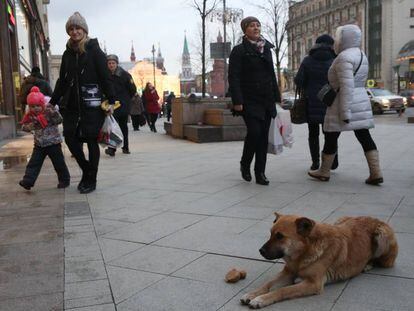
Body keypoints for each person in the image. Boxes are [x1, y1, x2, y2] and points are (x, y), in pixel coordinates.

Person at [49, 12, 115, 194]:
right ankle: (87, 170)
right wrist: (53, 102)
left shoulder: (94, 50)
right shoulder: (67, 53)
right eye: (71, 28)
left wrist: (111, 100)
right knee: (70, 138)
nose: (74, 31)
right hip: (71, 105)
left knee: (91, 140)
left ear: (84, 30)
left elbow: (105, 77)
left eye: (77, 28)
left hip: (92, 105)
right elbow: (62, 81)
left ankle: (91, 180)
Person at [309, 24, 383, 185]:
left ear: (345, 39)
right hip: (360, 101)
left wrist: (345, 112)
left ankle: (324, 171)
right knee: (364, 136)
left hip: (342, 102)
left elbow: (346, 86)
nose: (337, 40)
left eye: (339, 37)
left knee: (330, 135)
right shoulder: (361, 55)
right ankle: (376, 172)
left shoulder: (343, 58)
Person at [228, 16, 281, 186]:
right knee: (255, 132)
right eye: (252, 26)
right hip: (248, 99)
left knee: (263, 137)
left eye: (258, 25)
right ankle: (245, 164)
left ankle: (260, 172)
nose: (256, 28)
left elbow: (271, 75)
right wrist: (237, 100)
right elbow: (233, 77)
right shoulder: (238, 50)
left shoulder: (266, 49)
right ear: (245, 29)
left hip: (266, 98)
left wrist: (277, 97)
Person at [294, 34, 338, 171]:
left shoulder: (308, 60)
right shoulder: (335, 60)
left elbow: (299, 81)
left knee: (313, 134)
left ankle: (315, 162)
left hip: (311, 101)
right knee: (330, 134)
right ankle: (332, 160)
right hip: (329, 102)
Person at [19, 87, 70, 190]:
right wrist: (28, 127)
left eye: (38, 105)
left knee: (59, 163)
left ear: (42, 104)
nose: (36, 108)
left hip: (53, 143)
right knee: (34, 163)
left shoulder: (49, 111)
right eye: (33, 106)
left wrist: (54, 113)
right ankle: (28, 181)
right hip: (39, 145)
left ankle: (64, 180)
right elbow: (23, 125)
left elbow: (59, 120)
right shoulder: (30, 115)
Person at [105, 54, 137, 156]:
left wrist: (126, 99)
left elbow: (133, 89)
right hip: (111, 105)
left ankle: (125, 147)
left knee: (123, 126)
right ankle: (112, 148)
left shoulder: (125, 75)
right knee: (112, 126)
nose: (111, 65)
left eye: (113, 63)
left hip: (122, 104)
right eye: (109, 63)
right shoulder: (105, 75)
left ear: (117, 64)